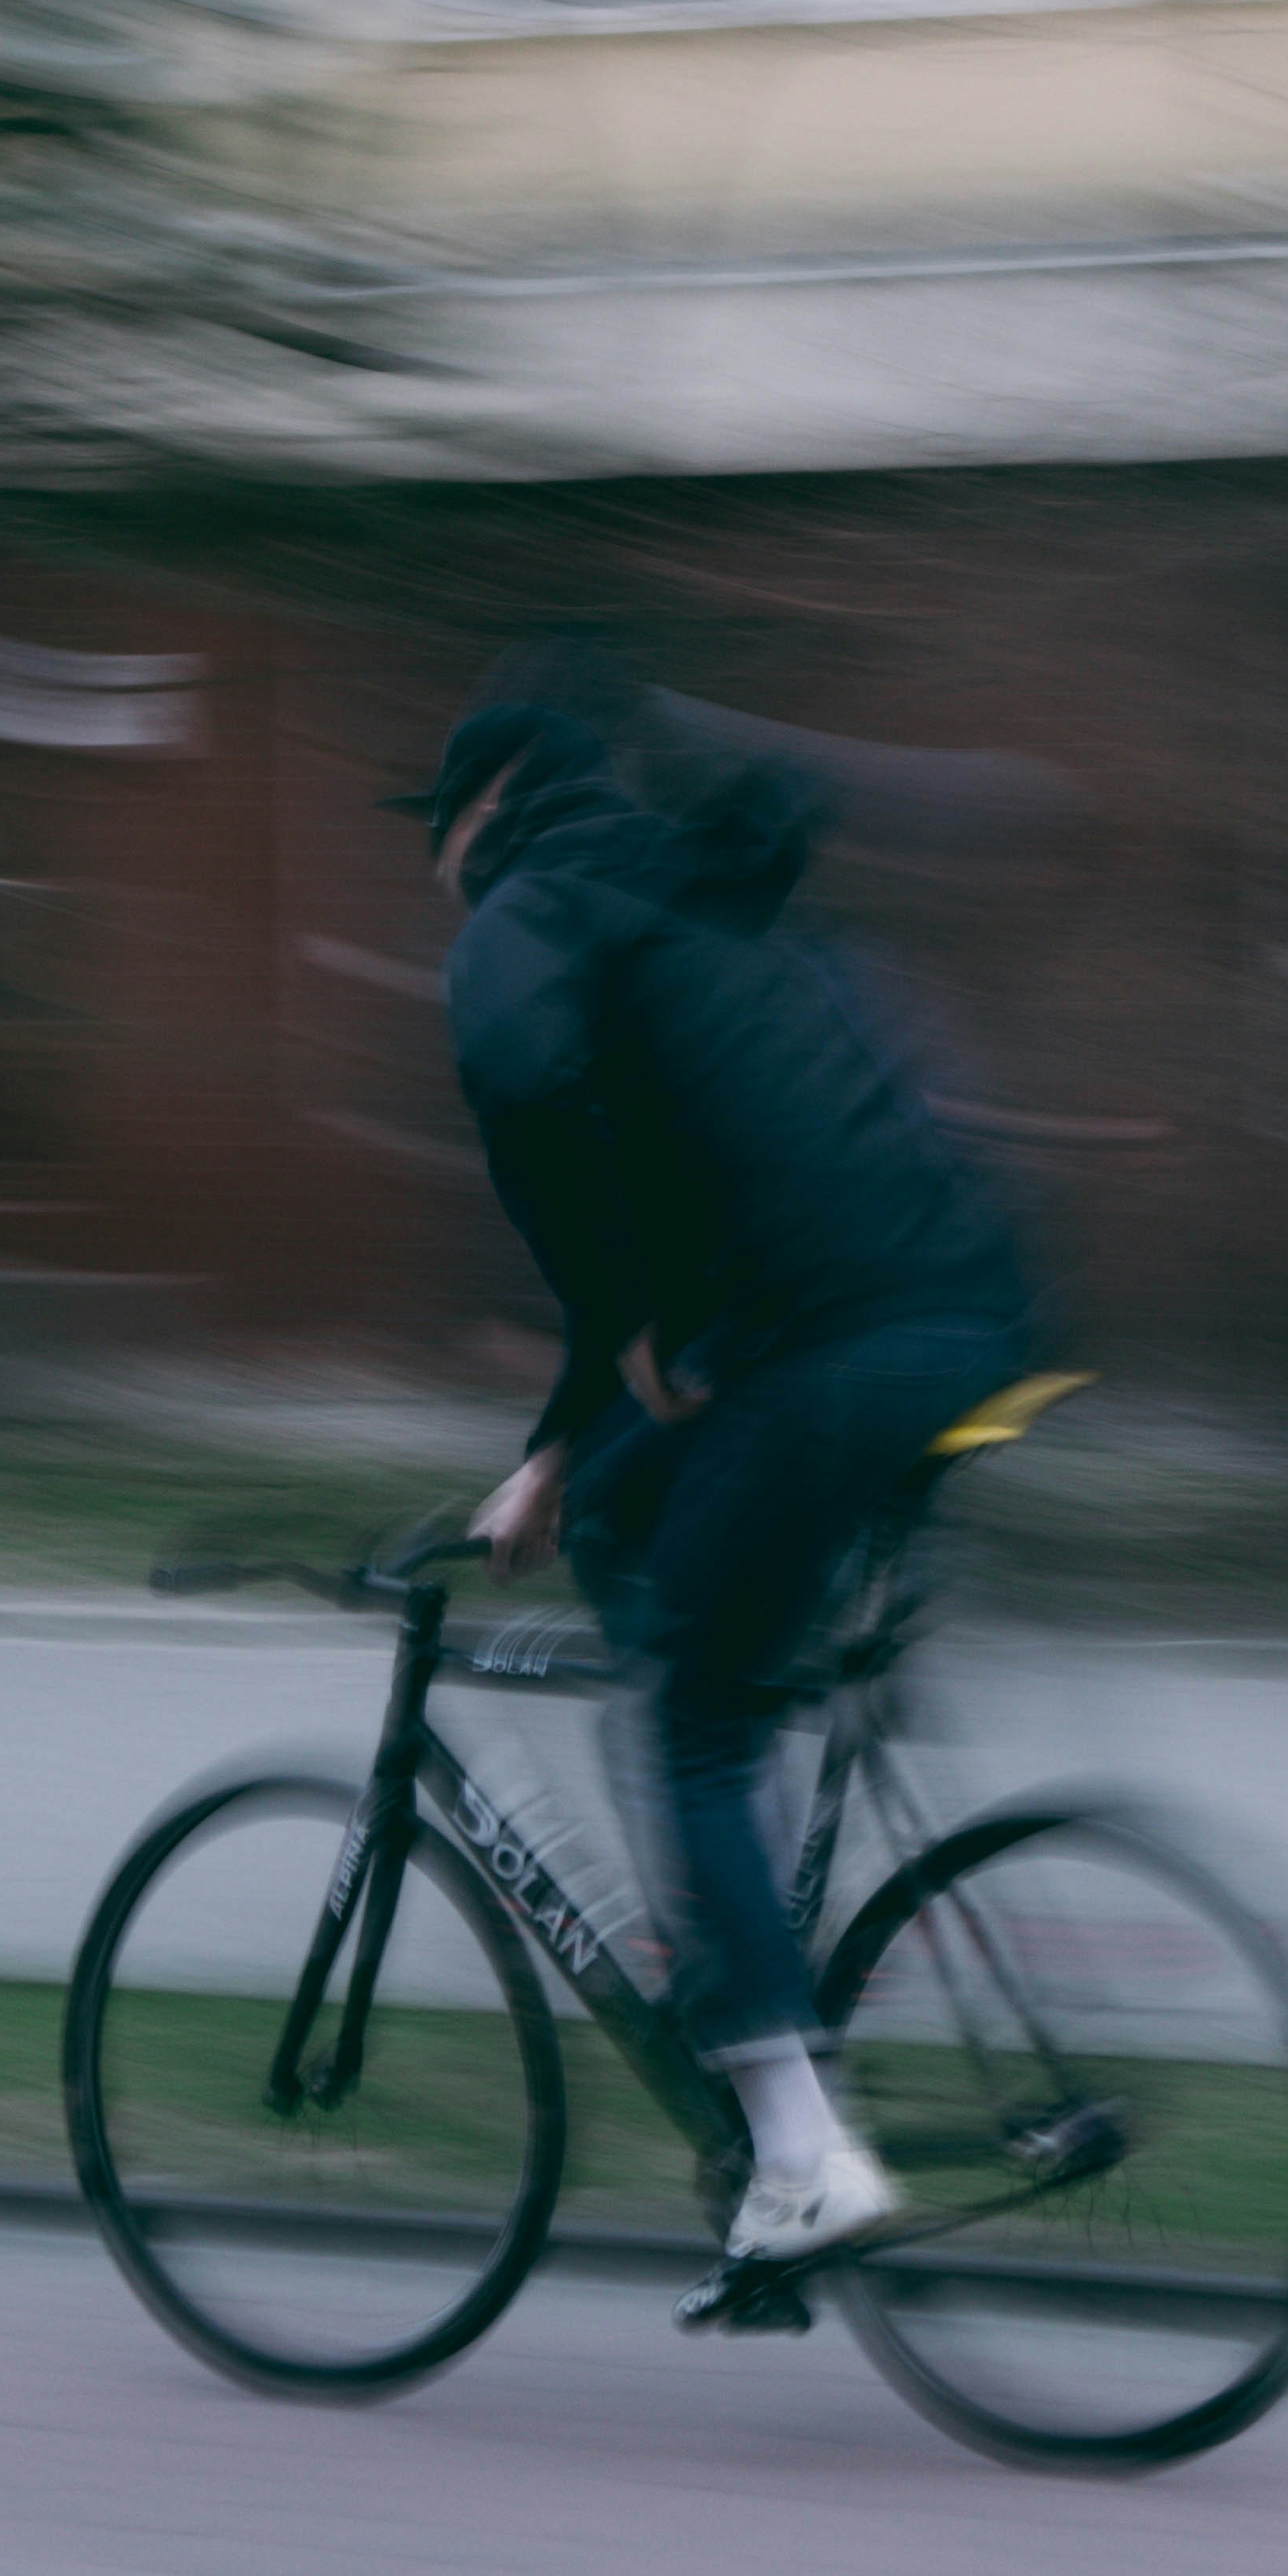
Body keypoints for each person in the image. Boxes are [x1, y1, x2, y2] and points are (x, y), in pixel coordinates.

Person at [408, 692, 1041, 2319]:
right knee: (634, 1525)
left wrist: (605, 1339)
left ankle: (797, 2146)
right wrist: (562, 1444)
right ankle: (746, 1943)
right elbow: (686, 1227)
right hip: (971, 1325)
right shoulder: (701, 903)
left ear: (487, 807)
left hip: (834, 1356)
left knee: (682, 1720)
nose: (437, 869)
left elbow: (528, 1102)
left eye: (440, 829)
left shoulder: (531, 907)